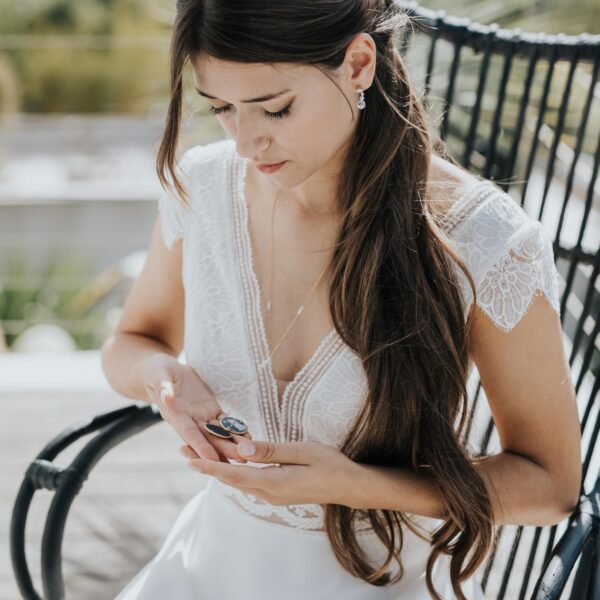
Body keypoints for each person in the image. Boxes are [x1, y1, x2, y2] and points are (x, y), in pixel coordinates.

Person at [101, 1, 582, 599]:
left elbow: (550, 485)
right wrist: (161, 376)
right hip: (207, 568)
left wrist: (357, 484)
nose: (246, 141)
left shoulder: (483, 240)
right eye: (220, 107)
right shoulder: (203, 186)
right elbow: (130, 342)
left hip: (380, 582)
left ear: (358, 64)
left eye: (275, 107)